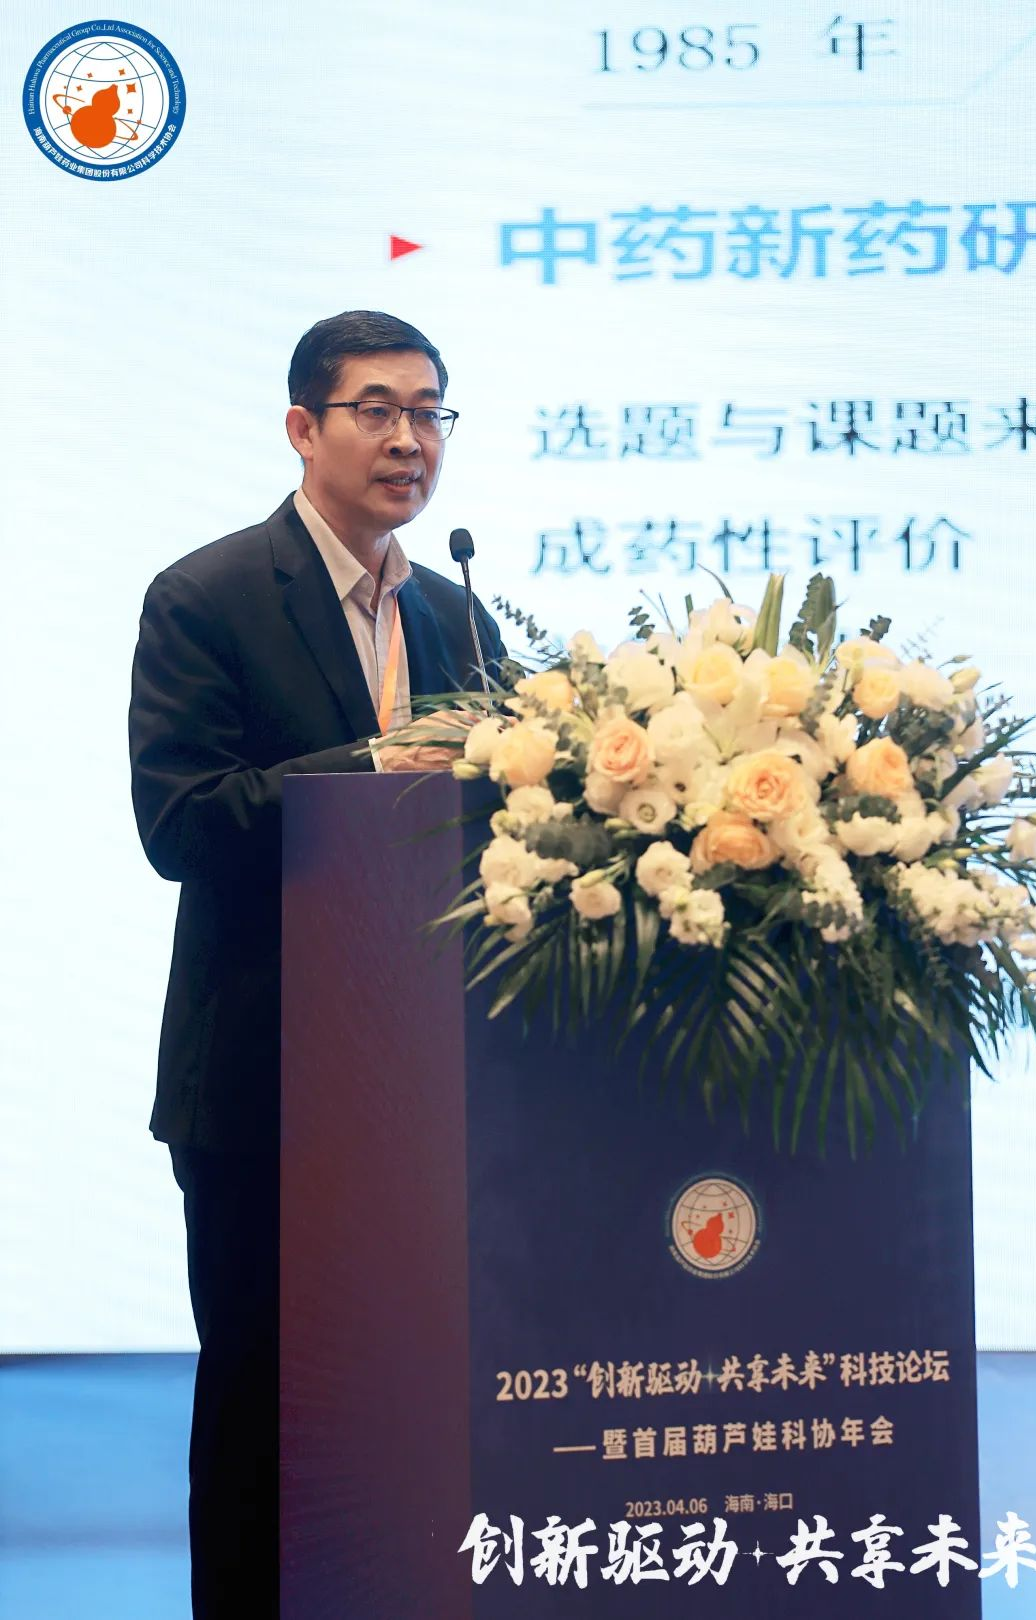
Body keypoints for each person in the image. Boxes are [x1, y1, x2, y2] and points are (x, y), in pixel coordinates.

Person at [129, 310, 503, 1619]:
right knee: (262, 1417)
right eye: (378, 410)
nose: (411, 441)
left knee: (413, 1412)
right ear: (303, 427)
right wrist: (371, 769)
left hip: (426, 1100)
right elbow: (179, 825)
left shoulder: (459, 617)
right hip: (264, 1088)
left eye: (431, 413)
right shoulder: (208, 597)